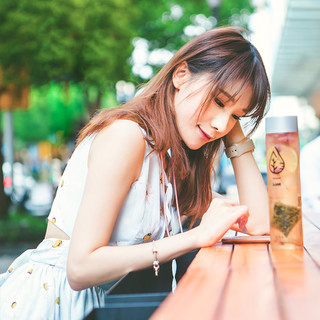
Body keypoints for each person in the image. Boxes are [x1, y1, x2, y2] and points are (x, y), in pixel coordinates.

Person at [0, 26, 270, 320]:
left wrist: (237, 138)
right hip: (53, 303)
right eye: (218, 100)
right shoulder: (127, 136)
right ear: (180, 75)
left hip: (100, 306)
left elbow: (258, 223)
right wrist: (195, 237)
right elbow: (80, 268)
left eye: (236, 116)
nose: (221, 124)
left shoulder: (171, 155)